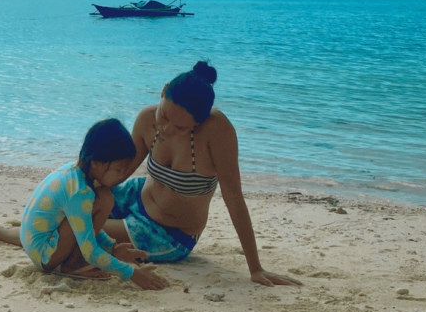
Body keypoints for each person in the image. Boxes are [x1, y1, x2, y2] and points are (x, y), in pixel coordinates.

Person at [100, 61, 302, 287]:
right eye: (164, 116)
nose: (167, 129)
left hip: (165, 233)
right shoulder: (147, 119)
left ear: (199, 122)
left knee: (78, 226)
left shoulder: (216, 132)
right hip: (135, 195)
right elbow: (118, 174)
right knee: (71, 206)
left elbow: (233, 197)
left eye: (181, 128)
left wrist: (255, 268)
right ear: (164, 90)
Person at [0, 118, 167, 290]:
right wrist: (131, 274)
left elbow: (81, 225)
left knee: (104, 198)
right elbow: (90, 249)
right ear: (98, 163)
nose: (123, 176)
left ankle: (70, 262)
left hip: (38, 241)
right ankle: (72, 266)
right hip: (45, 256)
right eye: (119, 169)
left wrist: (112, 247)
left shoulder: (74, 171)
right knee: (106, 200)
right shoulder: (81, 193)